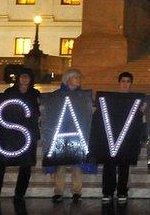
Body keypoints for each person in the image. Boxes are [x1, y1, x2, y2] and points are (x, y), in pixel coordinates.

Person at [0, 68, 40, 204]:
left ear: (31, 79)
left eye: (27, 77)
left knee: (25, 165)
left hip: (27, 134)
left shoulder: (35, 94)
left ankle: (19, 194)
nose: (25, 79)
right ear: (18, 78)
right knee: (0, 164)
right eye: (22, 76)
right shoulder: (9, 93)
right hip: (9, 132)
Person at [47, 67, 96, 203]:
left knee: (77, 163)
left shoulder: (84, 96)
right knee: (60, 164)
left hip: (78, 131)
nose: (79, 80)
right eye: (76, 78)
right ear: (68, 79)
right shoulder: (57, 95)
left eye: (79, 78)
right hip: (61, 131)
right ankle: (58, 191)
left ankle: (77, 191)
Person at [101, 71, 136, 204]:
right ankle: (107, 192)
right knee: (109, 165)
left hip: (126, 137)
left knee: (124, 165)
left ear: (131, 84)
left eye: (128, 81)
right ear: (119, 83)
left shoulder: (135, 99)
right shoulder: (110, 98)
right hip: (111, 136)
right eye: (123, 81)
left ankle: (122, 191)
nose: (125, 84)